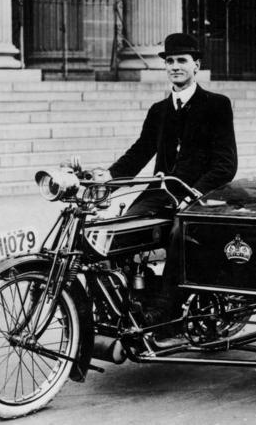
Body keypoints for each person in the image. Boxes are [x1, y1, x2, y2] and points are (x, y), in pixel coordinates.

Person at [90, 33, 238, 324]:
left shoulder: (216, 105)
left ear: (196, 65)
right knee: (114, 233)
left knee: (178, 235)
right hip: (160, 193)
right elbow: (140, 152)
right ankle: (129, 300)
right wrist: (107, 176)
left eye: (182, 60)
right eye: (170, 61)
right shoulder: (159, 111)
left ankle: (166, 307)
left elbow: (226, 164)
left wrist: (194, 192)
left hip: (201, 196)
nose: (175, 66)